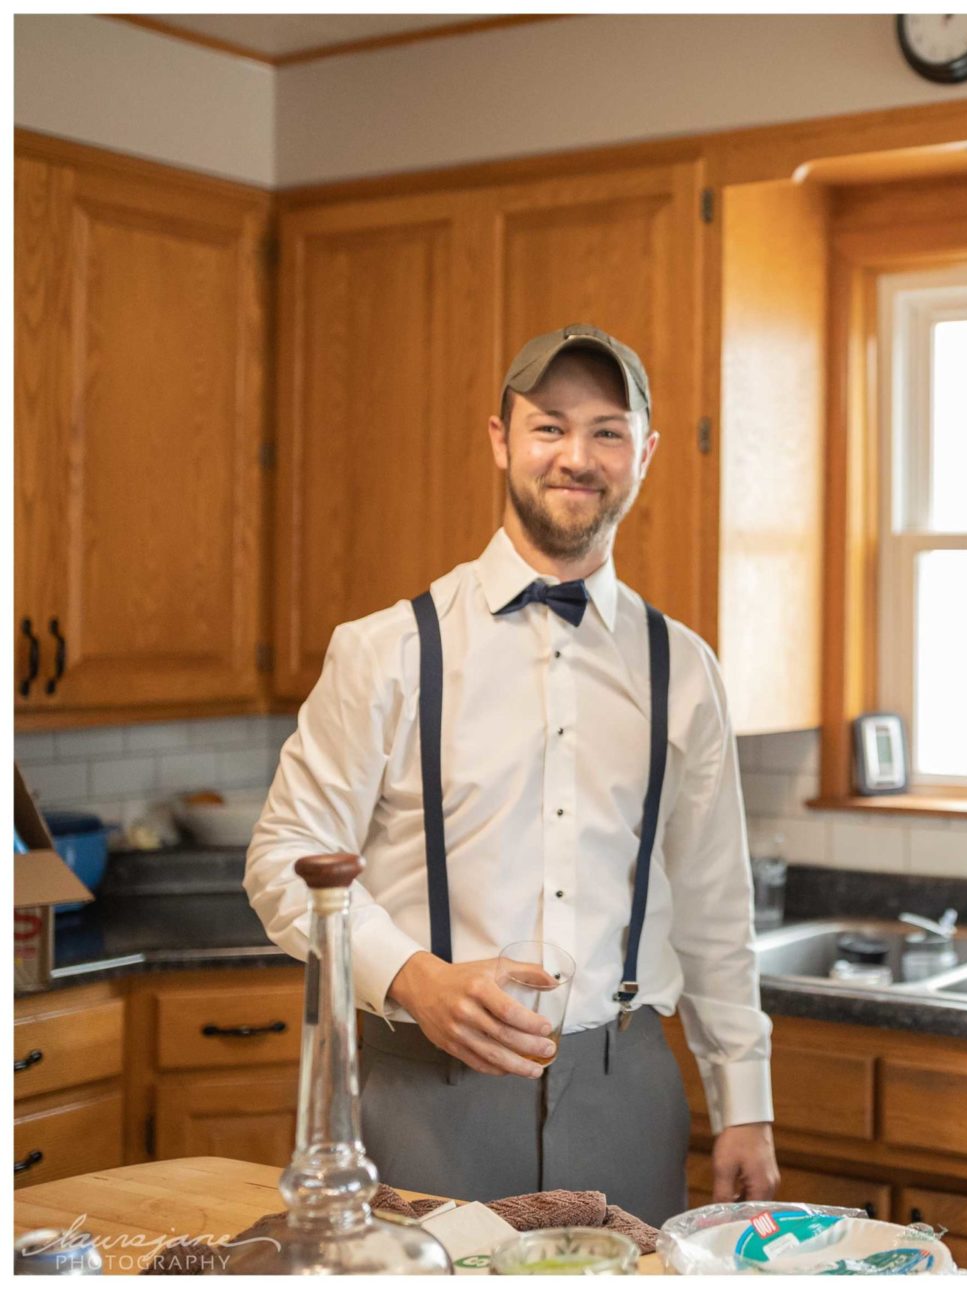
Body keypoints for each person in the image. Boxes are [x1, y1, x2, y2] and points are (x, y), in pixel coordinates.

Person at [247, 324, 779, 1220]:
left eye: (608, 430)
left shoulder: (683, 667)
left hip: (630, 1092)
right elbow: (282, 859)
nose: (578, 456)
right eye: (549, 426)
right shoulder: (384, 652)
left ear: (645, 454)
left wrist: (746, 1106)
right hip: (425, 1094)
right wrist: (410, 973)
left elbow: (716, 905)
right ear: (501, 440)